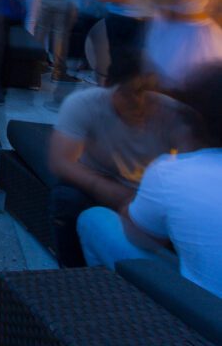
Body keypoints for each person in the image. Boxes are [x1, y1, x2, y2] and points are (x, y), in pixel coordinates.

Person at [76, 65, 222, 297]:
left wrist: (129, 203)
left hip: (203, 317)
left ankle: (114, 309)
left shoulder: (172, 171)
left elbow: (141, 238)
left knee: (94, 220)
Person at [47, 75, 190, 267]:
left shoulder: (172, 115)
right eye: (130, 94)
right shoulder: (87, 104)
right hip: (97, 183)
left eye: (146, 95)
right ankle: (73, 273)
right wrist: (102, 187)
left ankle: (158, 278)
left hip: (146, 196)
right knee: (66, 198)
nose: (138, 103)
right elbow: (60, 162)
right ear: (110, 87)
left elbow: (191, 169)